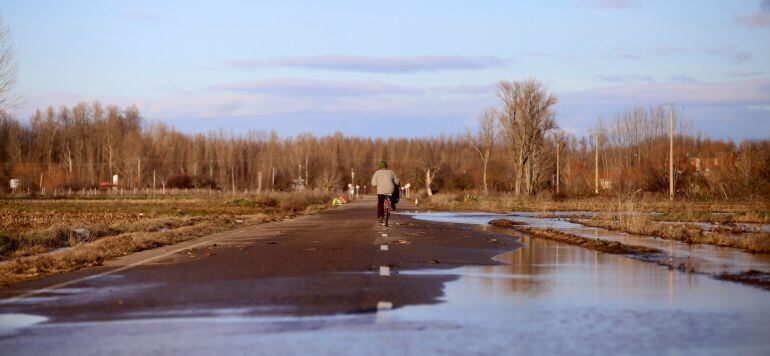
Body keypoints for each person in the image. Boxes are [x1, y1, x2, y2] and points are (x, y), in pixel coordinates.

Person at [371, 160, 400, 225]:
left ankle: (381, 216)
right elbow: (397, 182)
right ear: (386, 166)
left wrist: (378, 184)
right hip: (390, 190)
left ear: (380, 167)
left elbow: (373, 184)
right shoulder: (391, 172)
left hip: (381, 191)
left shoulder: (377, 173)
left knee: (380, 203)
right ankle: (392, 205)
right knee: (395, 190)